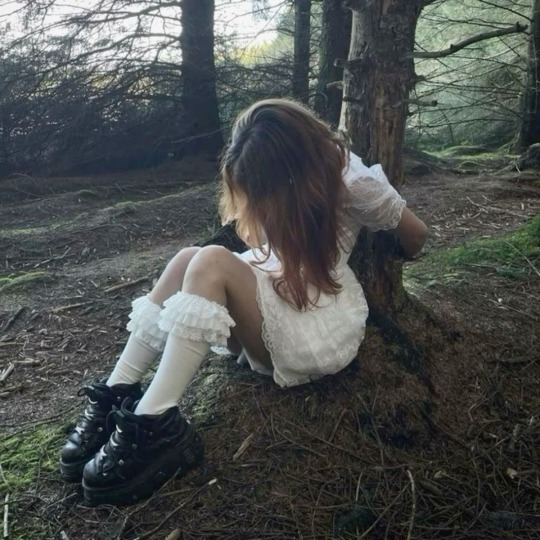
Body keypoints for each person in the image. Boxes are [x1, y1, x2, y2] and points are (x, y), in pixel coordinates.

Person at [59, 98, 428, 506]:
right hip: (273, 287)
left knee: (211, 260)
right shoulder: (282, 169)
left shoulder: (353, 180)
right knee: (186, 258)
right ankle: (118, 390)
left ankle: (155, 420)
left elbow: (416, 235)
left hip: (311, 318)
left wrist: (394, 252)